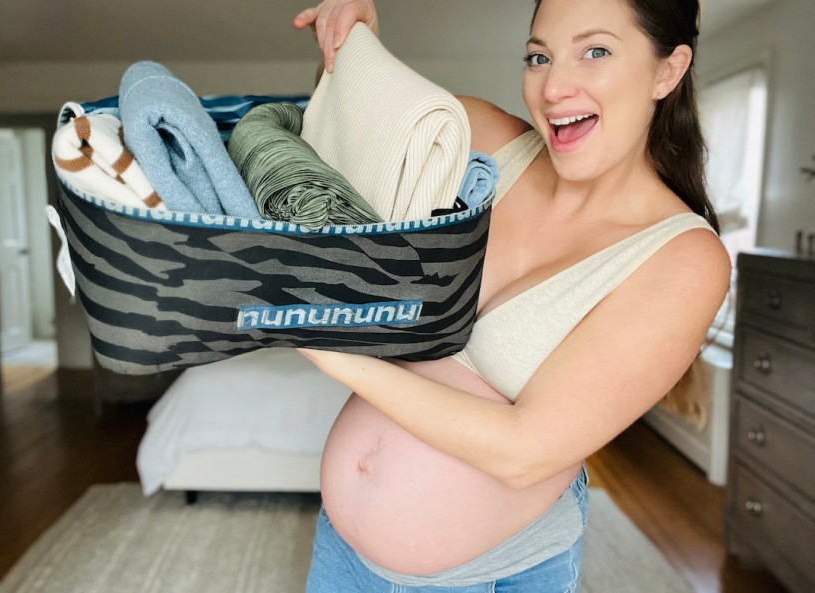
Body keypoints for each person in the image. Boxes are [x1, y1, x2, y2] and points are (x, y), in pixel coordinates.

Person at [292, 0, 731, 591]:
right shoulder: (481, 140)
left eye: (595, 51)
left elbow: (524, 450)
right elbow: (344, 130)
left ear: (667, 70)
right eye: (538, 56)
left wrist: (326, 348)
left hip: (488, 574)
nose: (554, 86)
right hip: (342, 548)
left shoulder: (683, 261)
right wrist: (354, 45)